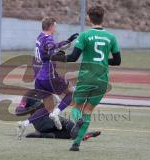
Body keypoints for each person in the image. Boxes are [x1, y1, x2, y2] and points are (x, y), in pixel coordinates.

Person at [51, 5, 121, 151]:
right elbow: (117, 61)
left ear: (89, 18)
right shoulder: (111, 37)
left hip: (86, 77)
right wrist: (100, 61)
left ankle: (78, 121)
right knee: (88, 110)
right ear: (102, 18)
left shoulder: (85, 35)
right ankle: (76, 143)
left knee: (76, 106)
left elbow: (73, 57)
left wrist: (59, 57)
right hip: (102, 80)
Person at [16, 17, 79, 138]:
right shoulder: (49, 39)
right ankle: (56, 113)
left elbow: (52, 46)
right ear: (51, 27)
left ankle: (24, 123)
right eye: (55, 26)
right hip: (49, 76)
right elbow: (51, 48)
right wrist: (56, 54)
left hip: (39, 79)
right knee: (71, 93)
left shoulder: (39, 37)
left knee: (48, 107)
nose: (56, 28)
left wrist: (67, 41)